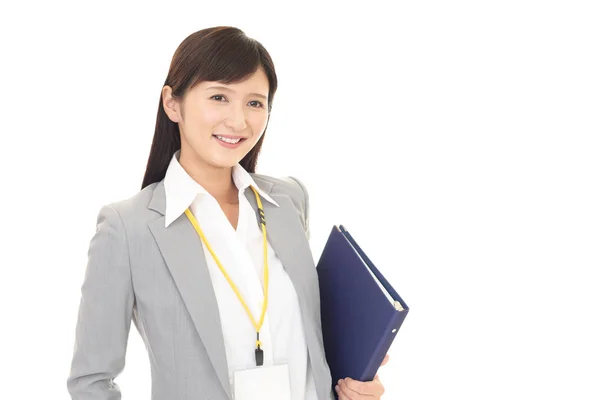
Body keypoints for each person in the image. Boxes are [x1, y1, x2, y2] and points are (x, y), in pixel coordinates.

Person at [66, 26, 388, 400]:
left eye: (255, 102)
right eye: (219, 97)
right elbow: (91, 380)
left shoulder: (289, 200)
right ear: (173, 103)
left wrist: (354, 384)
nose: (238, 121)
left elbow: (311, 343)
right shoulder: (127, 227)